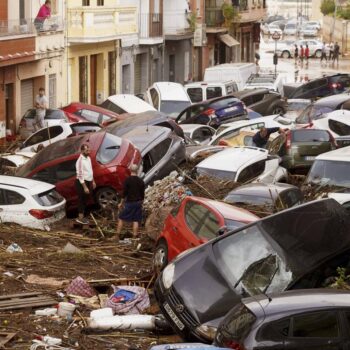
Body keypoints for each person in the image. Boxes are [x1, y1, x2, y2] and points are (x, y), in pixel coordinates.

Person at [117, 165, 145, 238]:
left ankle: (117, 236)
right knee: (136, 220)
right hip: (138, 203)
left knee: (121, 218)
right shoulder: (141, 181)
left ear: (130, 170)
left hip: (129, 203)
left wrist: (121, 203)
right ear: (137, 170)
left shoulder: (127, 180)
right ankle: (134, 237)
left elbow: (124, 193)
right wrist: (141, 202)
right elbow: (142, 194)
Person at [75, 144, 96, 225]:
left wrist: (93, 181)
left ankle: (83, 215)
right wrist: (85, 187)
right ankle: (80, 218)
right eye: (87, 150)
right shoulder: (80, 161)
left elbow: (90, 170)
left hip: (88, 181)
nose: (89, 152)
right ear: (82, 151)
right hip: (81, 183)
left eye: (89, 150)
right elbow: (80, 175)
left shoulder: (88, 158)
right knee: (81, 200)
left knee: (86, 199)